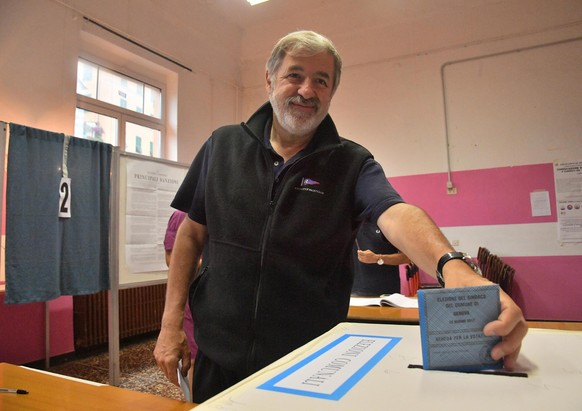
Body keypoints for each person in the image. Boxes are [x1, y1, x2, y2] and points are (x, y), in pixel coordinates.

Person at [154, 30, 528, 403]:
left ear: (332, 92)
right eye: (294, 75)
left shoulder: (352, 163)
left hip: (310, 365)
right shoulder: (222, 145)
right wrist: (171, 324)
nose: (306, 90)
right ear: (269, 78)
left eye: (321, 81)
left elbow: (395, 213)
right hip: (217, 360)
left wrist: (454, 267)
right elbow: (190, 234)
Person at [163, 210, 198, 394]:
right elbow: (171, 258)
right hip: (192, 296)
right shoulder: (180, 215)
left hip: (217, 295)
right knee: (193, 357)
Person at [352, 219, 411, 296]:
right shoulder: (348, 225)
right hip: (353, 292)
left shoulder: (388, 224)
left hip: (385, 292)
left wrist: (377, 258)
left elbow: (407, 257)